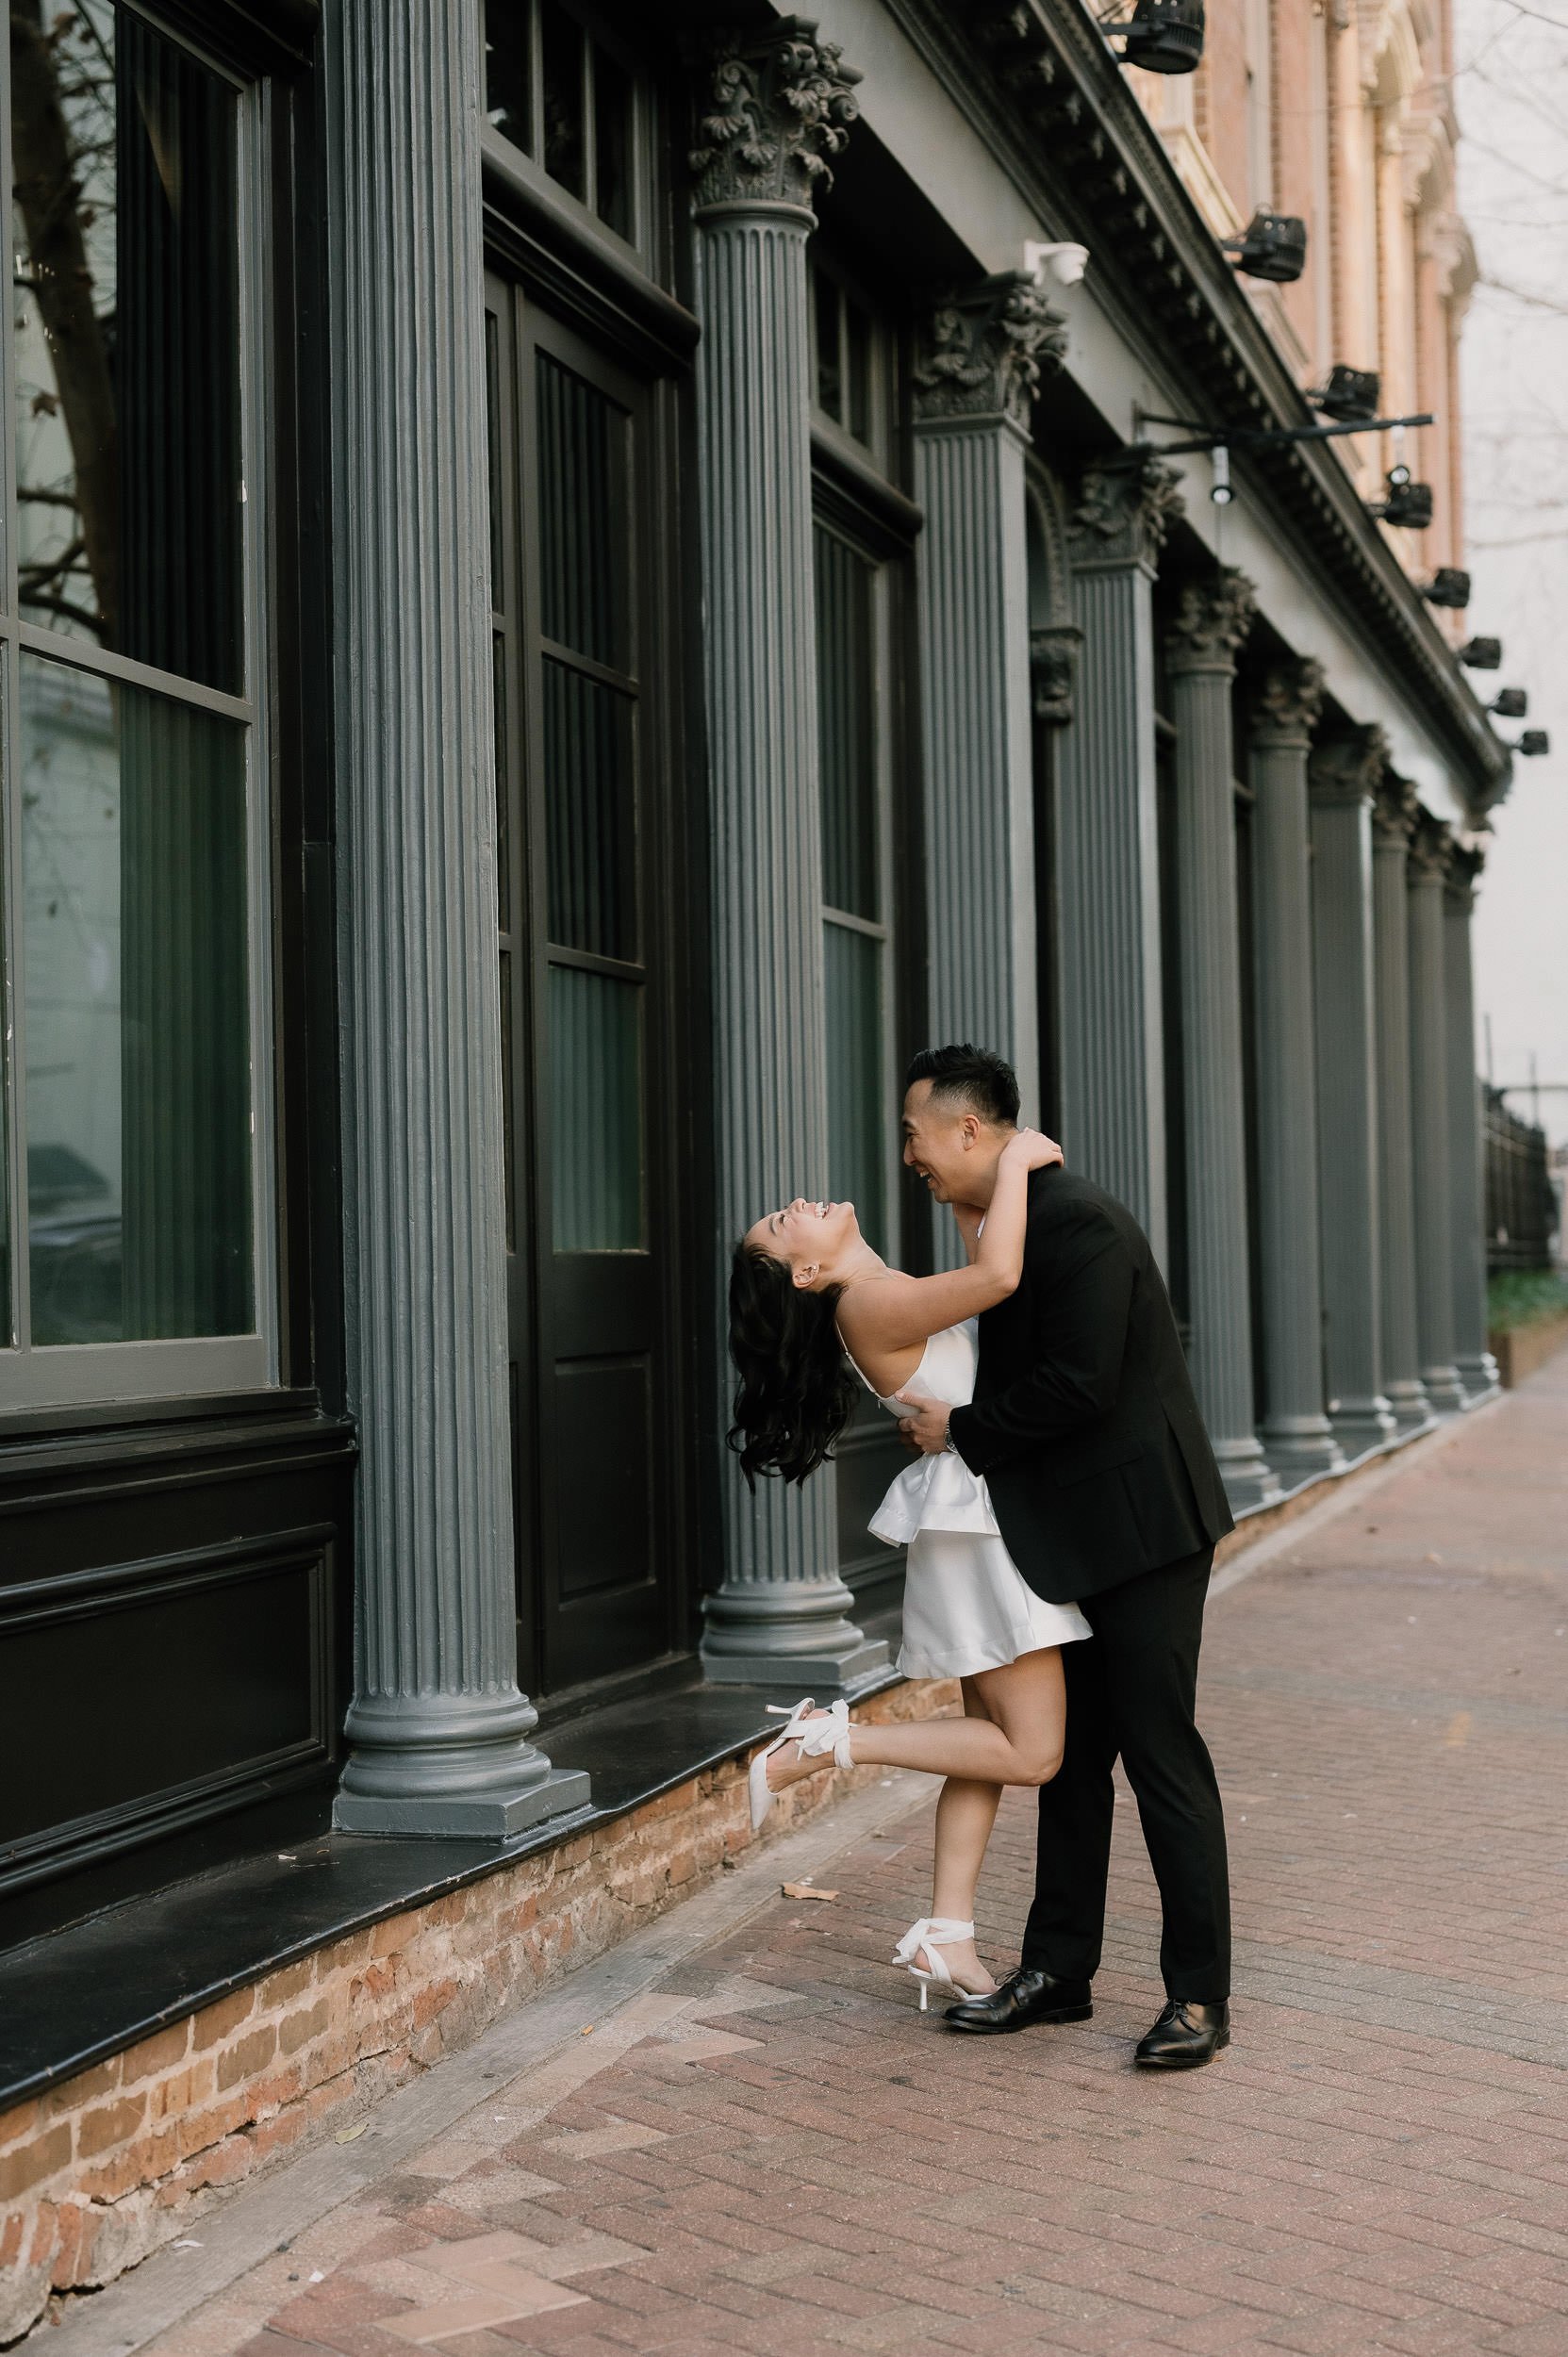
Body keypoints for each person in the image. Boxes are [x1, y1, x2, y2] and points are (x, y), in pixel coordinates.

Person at [895, 1045, 1236, 2068]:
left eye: (913, 1133)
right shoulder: (1013, 1219)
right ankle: (1058, 1974)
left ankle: (1198, 1998)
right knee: (1073, 1762)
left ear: (967, 1129)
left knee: (1158, 1753)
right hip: (1068, 1539)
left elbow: (1081, 1383)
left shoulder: (1076, 1221)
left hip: (1143, 1535)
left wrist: (960, 1428)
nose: (905, 1153)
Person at [729, 1121, 1092, 2011]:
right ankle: (827, 1743)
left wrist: (983, 1187)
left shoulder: (883, 1290)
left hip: (975, 1517)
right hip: (984, 1530)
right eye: (785, 1221)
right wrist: (1008, 1161)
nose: (800, 1205)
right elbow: (1000, 1277)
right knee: (1034, 1752)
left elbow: (985, 1277)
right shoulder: (871, 1304)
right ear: (805, 1274)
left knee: (985, 1748)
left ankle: (947, 1935)